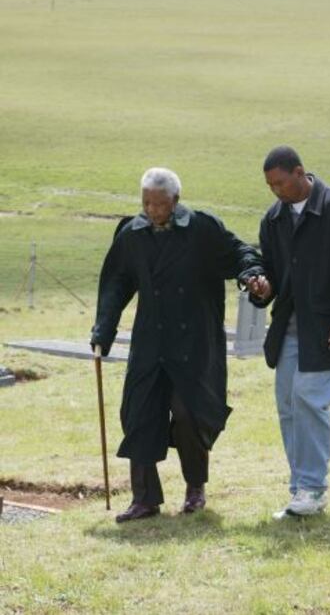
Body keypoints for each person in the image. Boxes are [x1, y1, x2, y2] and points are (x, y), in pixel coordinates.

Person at [91, 167, 263, 522]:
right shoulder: (131, 234)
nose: (153, 211)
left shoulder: (201, 229)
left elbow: (238, 253)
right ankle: (144, 499)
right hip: (151, 342)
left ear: (176, 201)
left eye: (160, 204)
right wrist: (102, 332)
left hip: (194, 343)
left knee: (188, 415)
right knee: (139, 414)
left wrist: (250, 274)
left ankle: (195, 488)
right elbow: (116, 284)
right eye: (147, 203)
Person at [247, 146, 330, 517]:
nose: (276, 192)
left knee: (308, 399)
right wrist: (263, 289)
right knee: (287, 405)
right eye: (270, 185)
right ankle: (301, 488)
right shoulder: (273, 220)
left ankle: (313, 489)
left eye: (281, 183)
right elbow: (272, 272)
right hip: (288, 328)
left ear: (300, 172)